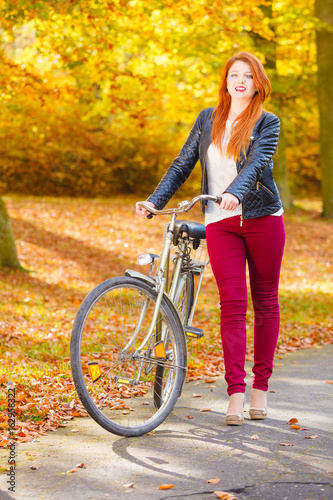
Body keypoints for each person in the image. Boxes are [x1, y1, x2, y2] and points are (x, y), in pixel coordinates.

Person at [136, 51, 286, 426]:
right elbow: (183, 162)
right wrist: (155, 201)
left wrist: (235, 191)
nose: (240, 81)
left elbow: (258, 162)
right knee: (232, 306)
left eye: (248, 76)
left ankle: (260, 388)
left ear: (257, 84)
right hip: (220, 222)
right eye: (234, 74)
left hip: (263, 218)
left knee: (265, 302)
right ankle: (236, 392)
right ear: (226, 80)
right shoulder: (208, 119)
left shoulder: (268, 122)